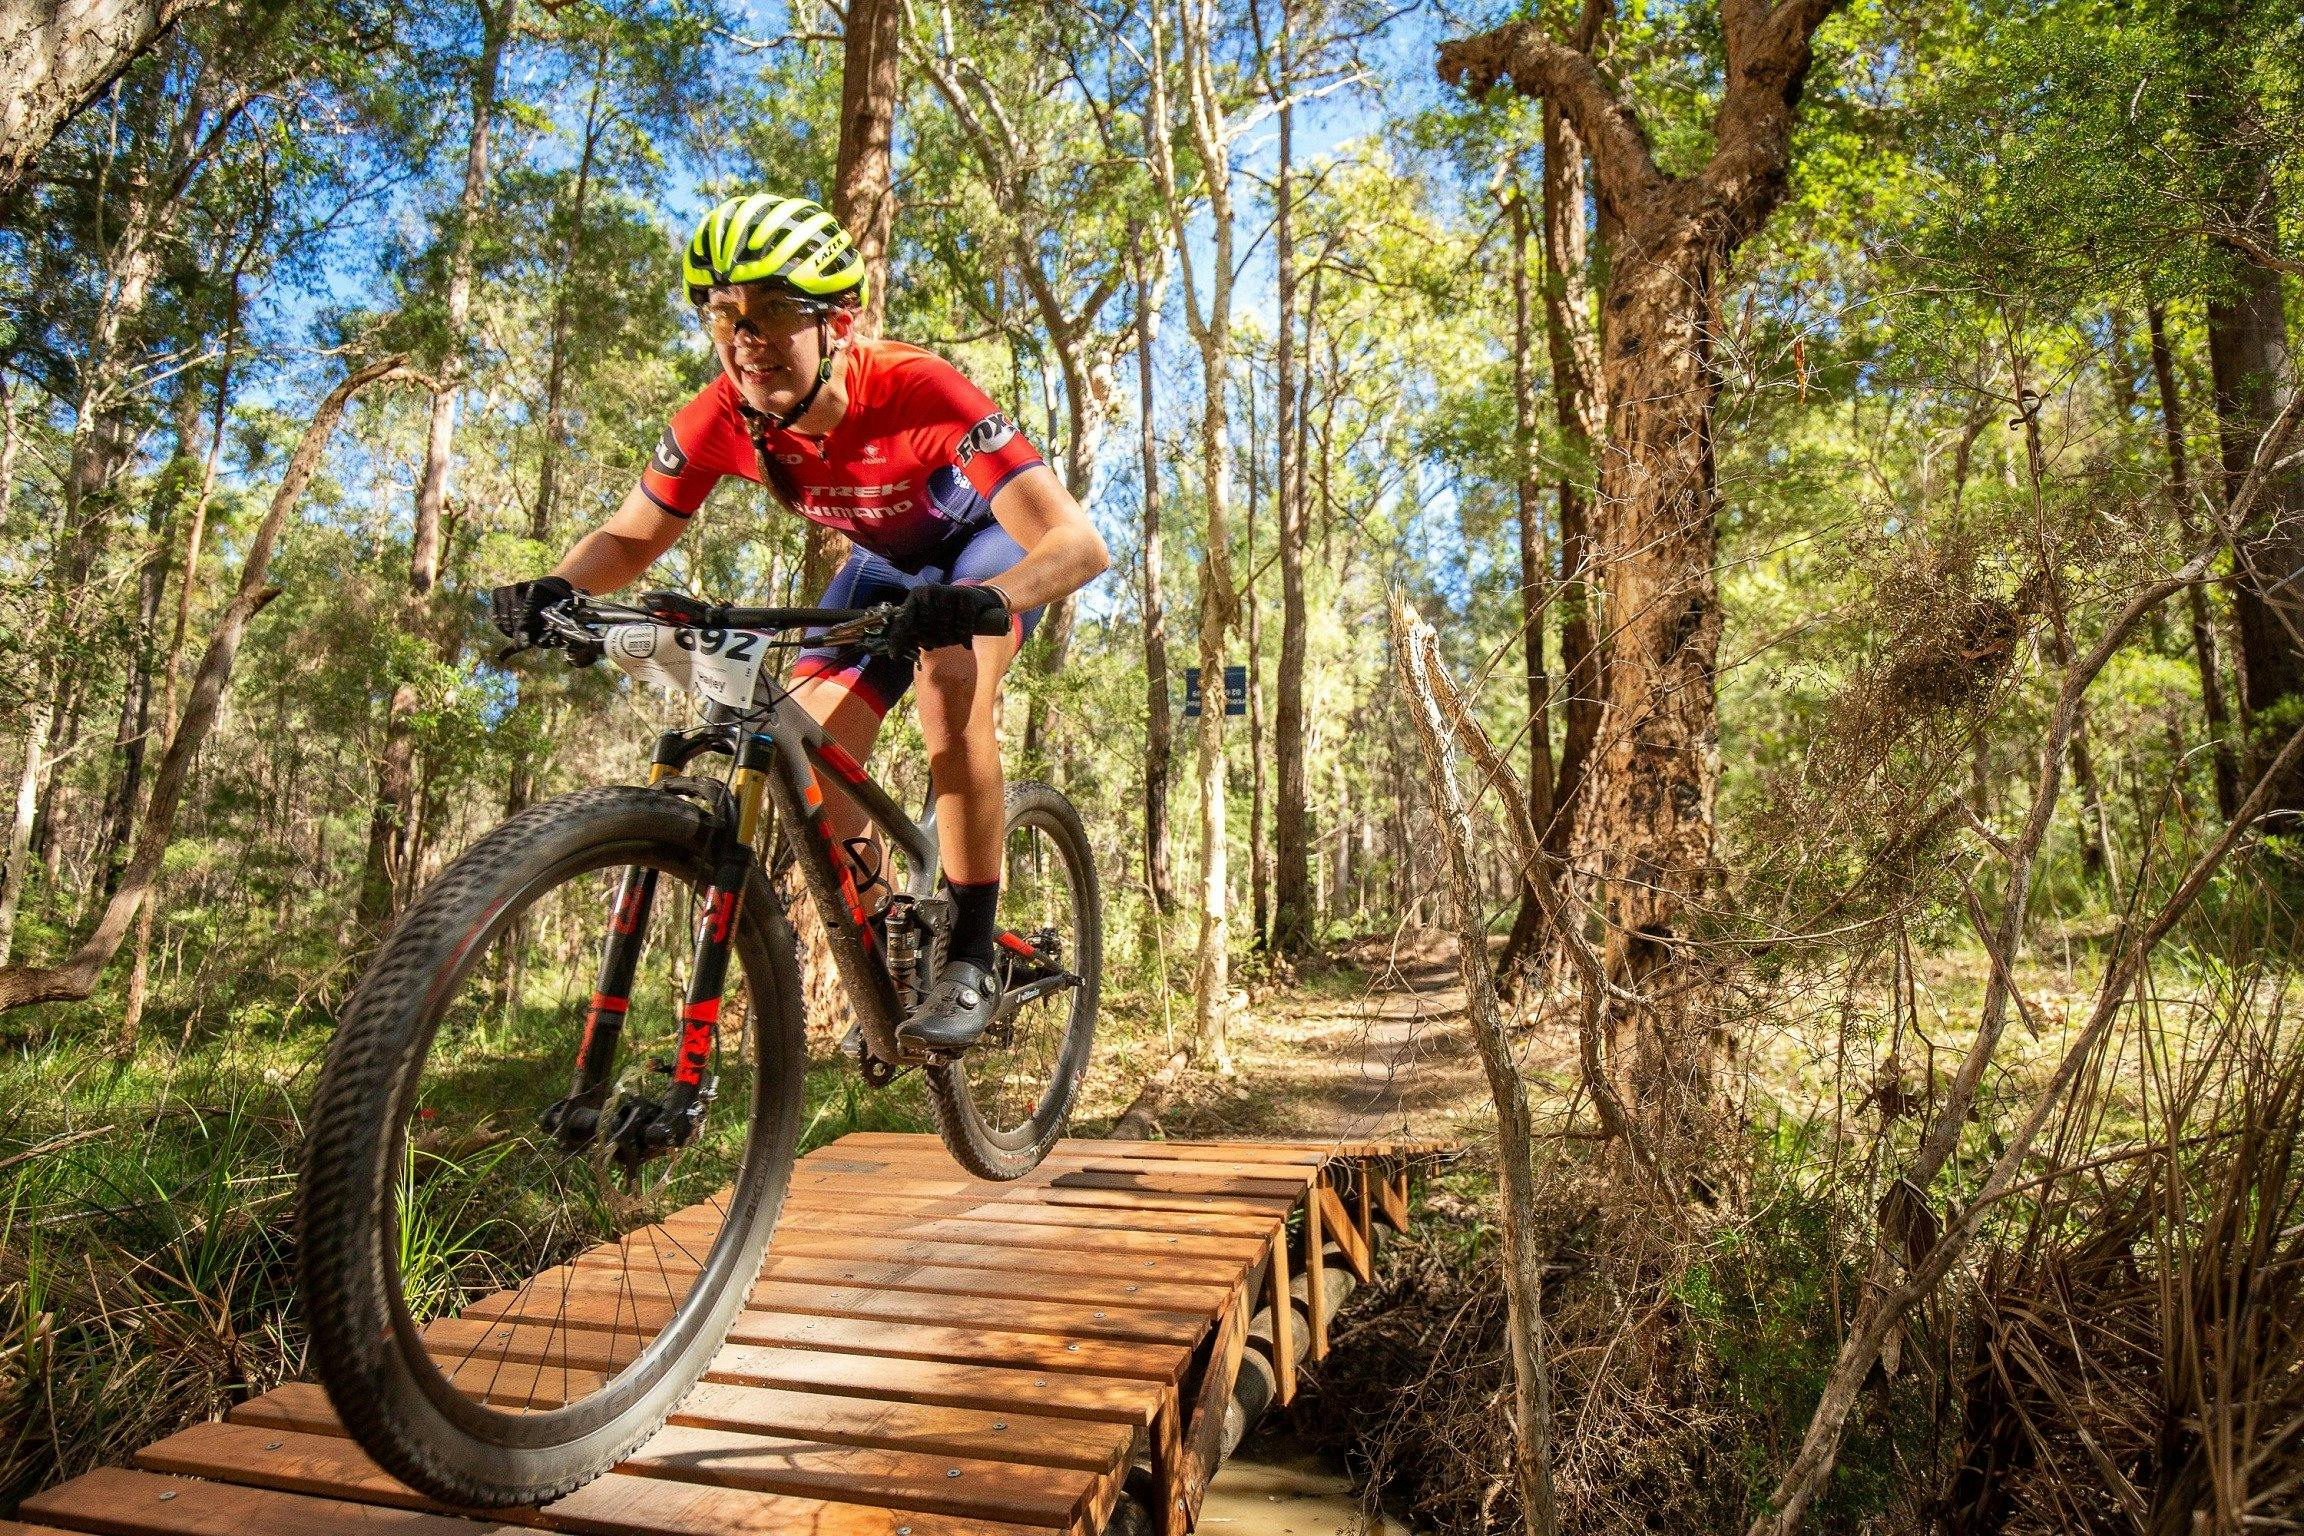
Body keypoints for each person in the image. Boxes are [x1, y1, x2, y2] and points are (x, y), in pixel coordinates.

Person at [495, 192, 1109, 1049]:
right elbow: (633, 536)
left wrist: (994, 599)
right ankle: (893, 947)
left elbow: (1077, 545)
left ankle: (969, 953)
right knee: (813, 753)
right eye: (726, 313)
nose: (748, 336)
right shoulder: (721, 418)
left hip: (983, 555)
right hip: (882, 568)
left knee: (950, 677)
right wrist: (555, 587)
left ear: (840, 324)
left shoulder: (922, 391)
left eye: (777, 308)